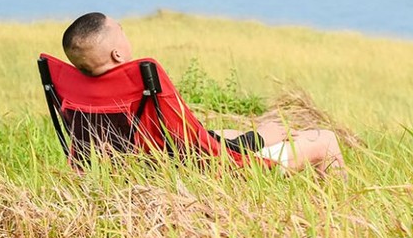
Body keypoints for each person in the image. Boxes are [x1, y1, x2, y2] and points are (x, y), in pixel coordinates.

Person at [61, 12, 346, 176]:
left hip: (132, 168)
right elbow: (204, 154)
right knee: (325, 139)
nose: (125, 32)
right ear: (117, 52)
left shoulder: (81, 89)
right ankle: (341, 218)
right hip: (205, 171)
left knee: (227, 132)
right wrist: (260, 136)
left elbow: (184, 140)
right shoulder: (140, 81)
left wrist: (245, 136)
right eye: (120, 30)